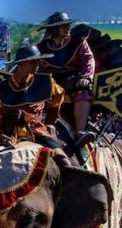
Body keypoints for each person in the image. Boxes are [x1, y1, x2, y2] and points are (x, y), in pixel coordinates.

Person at [36, 12, 97, 147]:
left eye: (68, 25)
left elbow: (89, 60)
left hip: (73, 81)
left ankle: (81, 132)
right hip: (50, 84)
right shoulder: (41, 49)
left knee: (83, 90)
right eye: (64, 26)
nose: (68, 27)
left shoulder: (78, 42)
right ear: (54, 29)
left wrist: (86, 77)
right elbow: (36, 69)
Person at [0, 45, 65, 150]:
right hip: (8, 132)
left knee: (60, 155)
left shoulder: (45, 82)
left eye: (38, 61)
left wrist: (50, 120)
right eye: (33, 62)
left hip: (37, 130)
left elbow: (59, 95)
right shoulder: (2, 88)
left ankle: (67, 165)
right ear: (20, 63)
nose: (38, 64)